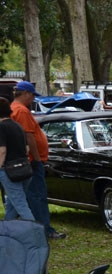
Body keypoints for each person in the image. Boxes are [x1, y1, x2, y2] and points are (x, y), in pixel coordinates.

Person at [9, 81, 62, 239]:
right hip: (32, 161)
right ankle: (44, 230)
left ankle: (13, 230)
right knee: (37, 196)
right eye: (32, 95)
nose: (33, 99)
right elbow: (29, 136)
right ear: (25, 93)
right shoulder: (21, 111)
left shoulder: (14, 108)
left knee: (18, 199)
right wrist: (37, 159)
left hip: (24, 160)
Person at [0, 97, 36, 222]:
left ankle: (35, 231)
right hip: (25, 169)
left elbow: (2, 151)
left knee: (20, 205)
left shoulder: (1, 127)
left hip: (9, 171)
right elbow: (27, 149)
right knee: (12, 205)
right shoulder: (18, 126)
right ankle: (6, 230)